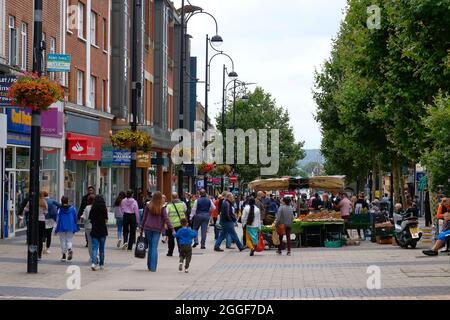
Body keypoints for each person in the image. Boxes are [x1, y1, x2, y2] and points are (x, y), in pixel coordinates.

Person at [140, 191, 174, 272]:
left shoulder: (148, 205)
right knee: (154, 247)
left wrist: (141, 229)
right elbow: (166, 219)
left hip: (147, 228)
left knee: (150, 247)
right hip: (157, 229)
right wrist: (172, 229)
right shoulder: (162, 207)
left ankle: (149, 265)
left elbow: (144, 218)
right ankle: (153, 267)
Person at [55, 196, 79, 262]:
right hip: (70, 226)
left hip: (61, 226)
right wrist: (75, 225)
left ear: (61, 201)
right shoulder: (72, 208)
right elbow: (75, 218)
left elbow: (57, 218)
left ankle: (63, 255)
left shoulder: (59, 209)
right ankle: (69, 249)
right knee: (69, 240)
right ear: (67, 201)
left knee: (62, 241)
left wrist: (56, 229)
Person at [25, 192, 48, 260]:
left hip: (33, 221)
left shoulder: (31, 201)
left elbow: (26, 209)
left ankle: (33, 253)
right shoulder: (44, 202)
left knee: (33, 238)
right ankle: (39, 255)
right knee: (40, 238)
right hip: (41, 221)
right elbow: (46, 212)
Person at [89, 195, 108, 271]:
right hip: (103, 230)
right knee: (102, 249)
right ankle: (101, 264)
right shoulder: (104, 209)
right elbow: (106, 220)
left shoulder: (93, 209)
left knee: (94, 248)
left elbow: (90, 219)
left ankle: (93, 263)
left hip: (94, 230)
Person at [166, 192, 188, 256]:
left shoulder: (169, 205)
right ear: (177, 196)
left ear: (172, 197)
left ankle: (170, 252)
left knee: (170, 239)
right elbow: (185, 211)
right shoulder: (182, 203)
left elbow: (166, 215)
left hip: (171, 225)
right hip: (181, 225)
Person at [82, 194, 95, 262]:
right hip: (95, 226)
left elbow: (85, 217)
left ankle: (92, 257)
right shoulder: (97, 206)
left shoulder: (87, 207)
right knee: (95, 242)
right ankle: (96, 255)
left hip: (88, 227)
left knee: (89, 242)